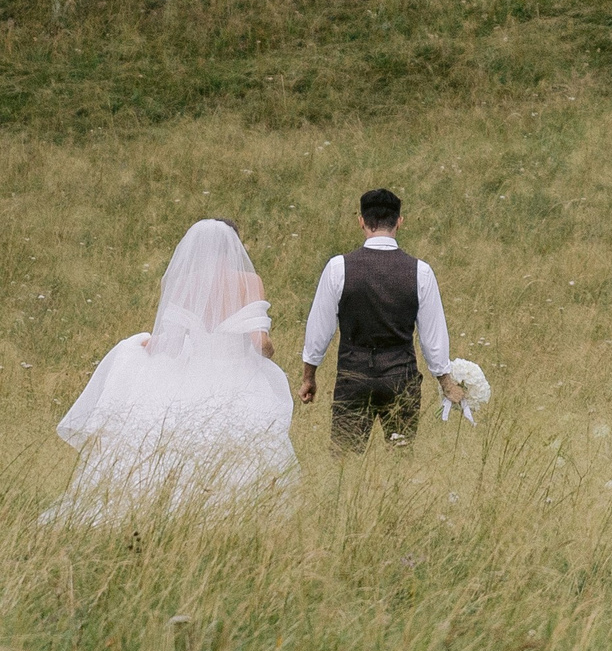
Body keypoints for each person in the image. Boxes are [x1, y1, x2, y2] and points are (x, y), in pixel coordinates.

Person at [43, 219, 299, 523]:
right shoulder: (249, 281)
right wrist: (269, 352)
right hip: (238, 374)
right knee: (244, 445)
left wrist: (144, 344)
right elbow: (260, 343)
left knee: (185, 442)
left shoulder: (184, 282)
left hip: (194, 374)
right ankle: (237, 514)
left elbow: (172, 347)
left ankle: (176, 511)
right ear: (235, 246)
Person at [295, 188, 463, 450]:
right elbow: (433, 337)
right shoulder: (421, 271)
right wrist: (445, 381)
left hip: (353, 375)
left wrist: (309, 376)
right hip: (401, 376)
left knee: (344, 461)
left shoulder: (338, 267)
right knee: (400, 459)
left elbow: (319, 329)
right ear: (399, 221)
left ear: (361, 221)